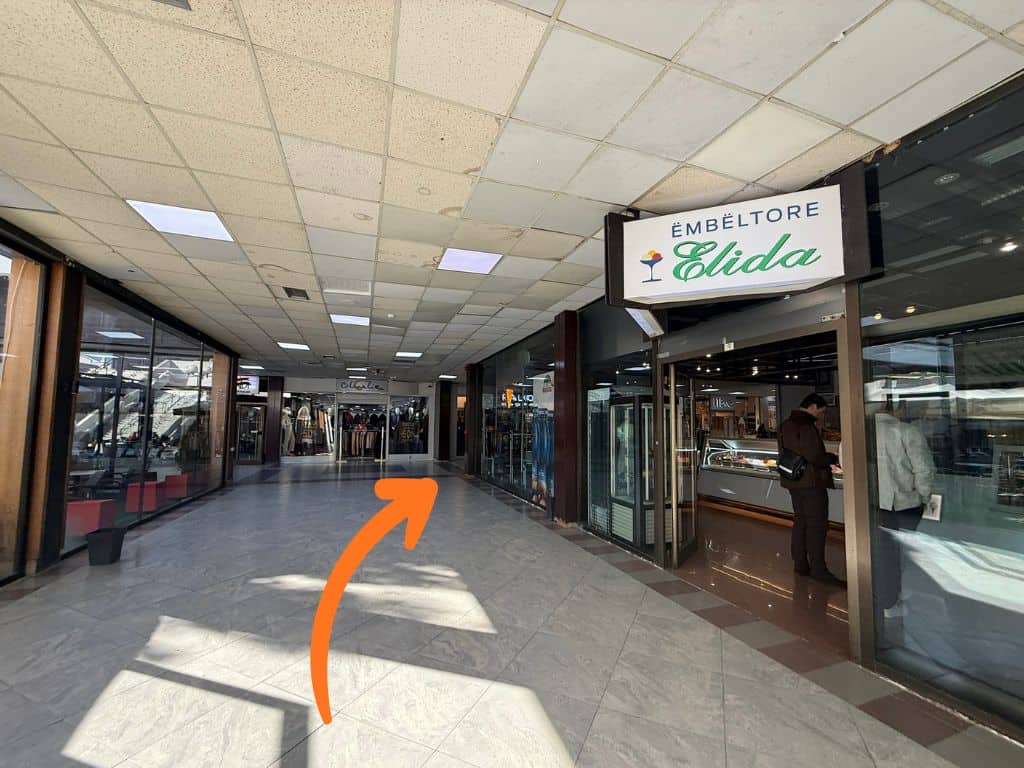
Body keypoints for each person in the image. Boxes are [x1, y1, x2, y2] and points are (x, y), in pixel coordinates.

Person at [875, 400, 935, 617]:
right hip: (905, 502)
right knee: (900, 553)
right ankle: (891, 601)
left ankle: (887, 596)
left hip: (873, 502)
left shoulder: (858, 431)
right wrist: (925, 495)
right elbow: (923, 468)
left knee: (882, 552)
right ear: (896, 407)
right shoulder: (906, 431)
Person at [779, 393, 843, 584]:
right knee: (817, 525)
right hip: (811, 482)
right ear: (813, 406)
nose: (821, 416)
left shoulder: (785, 425)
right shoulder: (805, 426)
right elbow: (814, 455)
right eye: (821, 411)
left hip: (793, 481)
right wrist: (831, 458)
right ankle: (818, 569)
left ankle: (800, 564)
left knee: (801, 522)